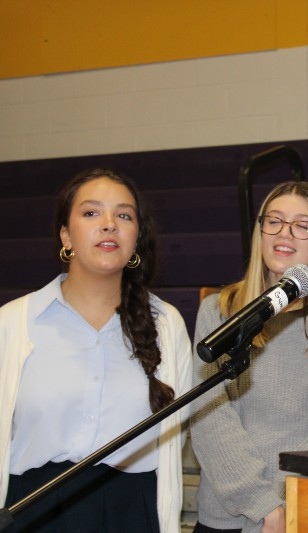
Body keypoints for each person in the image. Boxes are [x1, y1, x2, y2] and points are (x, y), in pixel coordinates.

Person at [0, 168, 193, 532]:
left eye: (124, 215)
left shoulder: (166, 325)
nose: (109, 224)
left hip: (131, 511)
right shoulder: (13, 323)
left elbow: (173, 438)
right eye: (91, 213)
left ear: (136, 238)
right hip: (33, 511)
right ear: (65, 234)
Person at [190, 181, 308, 533]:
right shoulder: (218, 311)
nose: (284, 233)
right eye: (274, 221)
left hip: (299, 513)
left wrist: (283, 504)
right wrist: (262, 504)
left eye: (302, 225)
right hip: (226, 515)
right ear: (260, 231)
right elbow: (209, 416)